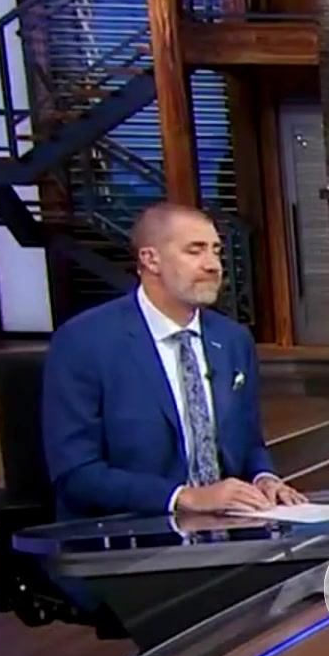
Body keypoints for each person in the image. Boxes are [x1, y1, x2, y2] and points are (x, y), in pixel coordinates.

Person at [41, 202, 305, 520]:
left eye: (216, 251)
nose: (213, 265)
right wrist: (184, 497)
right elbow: (75, 473)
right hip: (131, 531)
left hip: (232, 526)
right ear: (150, 259)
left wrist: (264, 478)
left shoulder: (233, 340)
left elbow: (248, 443)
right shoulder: (85, 341)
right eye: (195, 251)